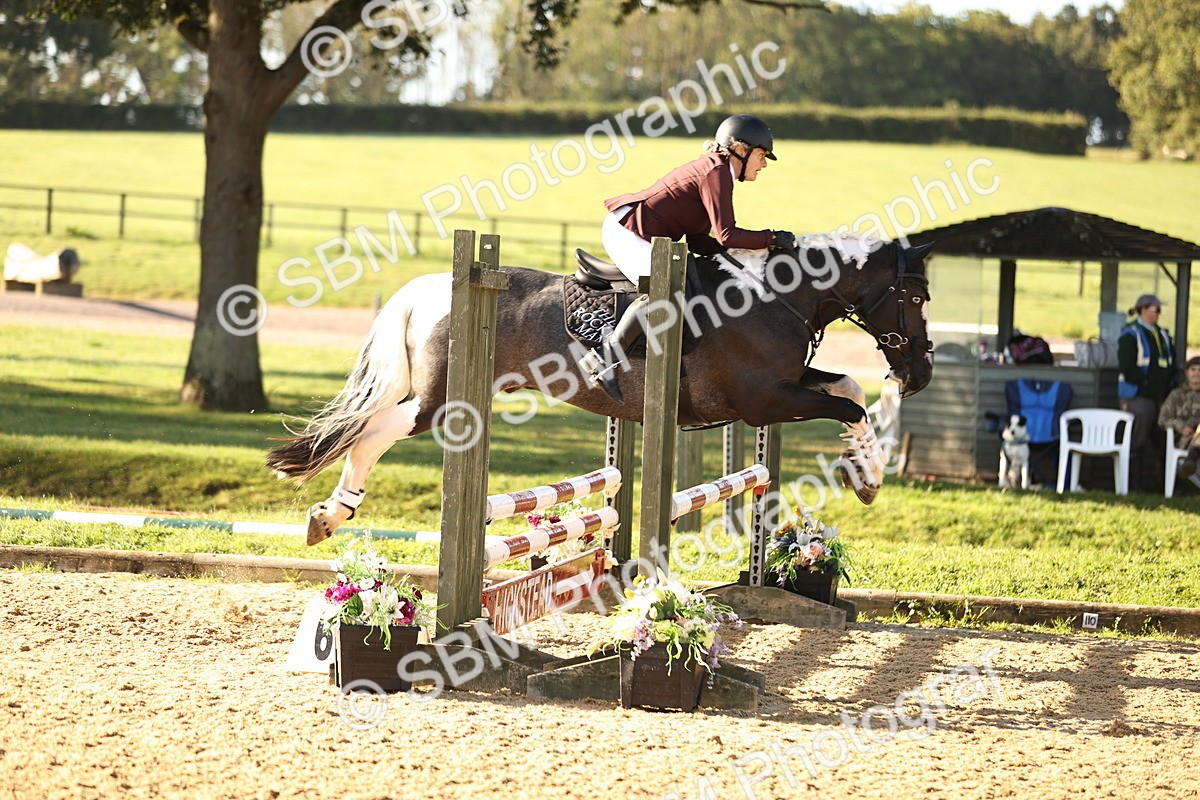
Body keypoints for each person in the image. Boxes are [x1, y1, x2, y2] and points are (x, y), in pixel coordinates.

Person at [578, 113, 796, 402]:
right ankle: (605, 359)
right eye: (761, 155)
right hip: (628, 231)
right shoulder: (717, 173)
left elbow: (699, 241)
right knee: (664, 293)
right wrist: (771, 238)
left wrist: (740, 258)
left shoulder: (717, 170)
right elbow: (727, 235)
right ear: (741, 151)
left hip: (636, 229)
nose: (764, 164)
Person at [1117, 293, 1177, 491]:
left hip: (1160, 397)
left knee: (1162, 441)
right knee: (1138, 441)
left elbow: (1170, 362)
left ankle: (1163, 487)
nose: (1159, 313)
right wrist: (1145, 383)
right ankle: (1134, 487)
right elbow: (1127, 367)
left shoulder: (1162, 334)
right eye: (1156, 309)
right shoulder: (1131, 334)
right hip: (1137, 396)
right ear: (1143, 310)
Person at [1159, 355, 1200, 481]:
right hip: (1185, 439)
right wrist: (1181, 427)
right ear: (1186, 372)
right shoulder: (1176, 395)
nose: (1197, 373)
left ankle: (1192, 458)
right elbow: (1163, 419)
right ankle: (1191, 458)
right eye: (1193, 369)